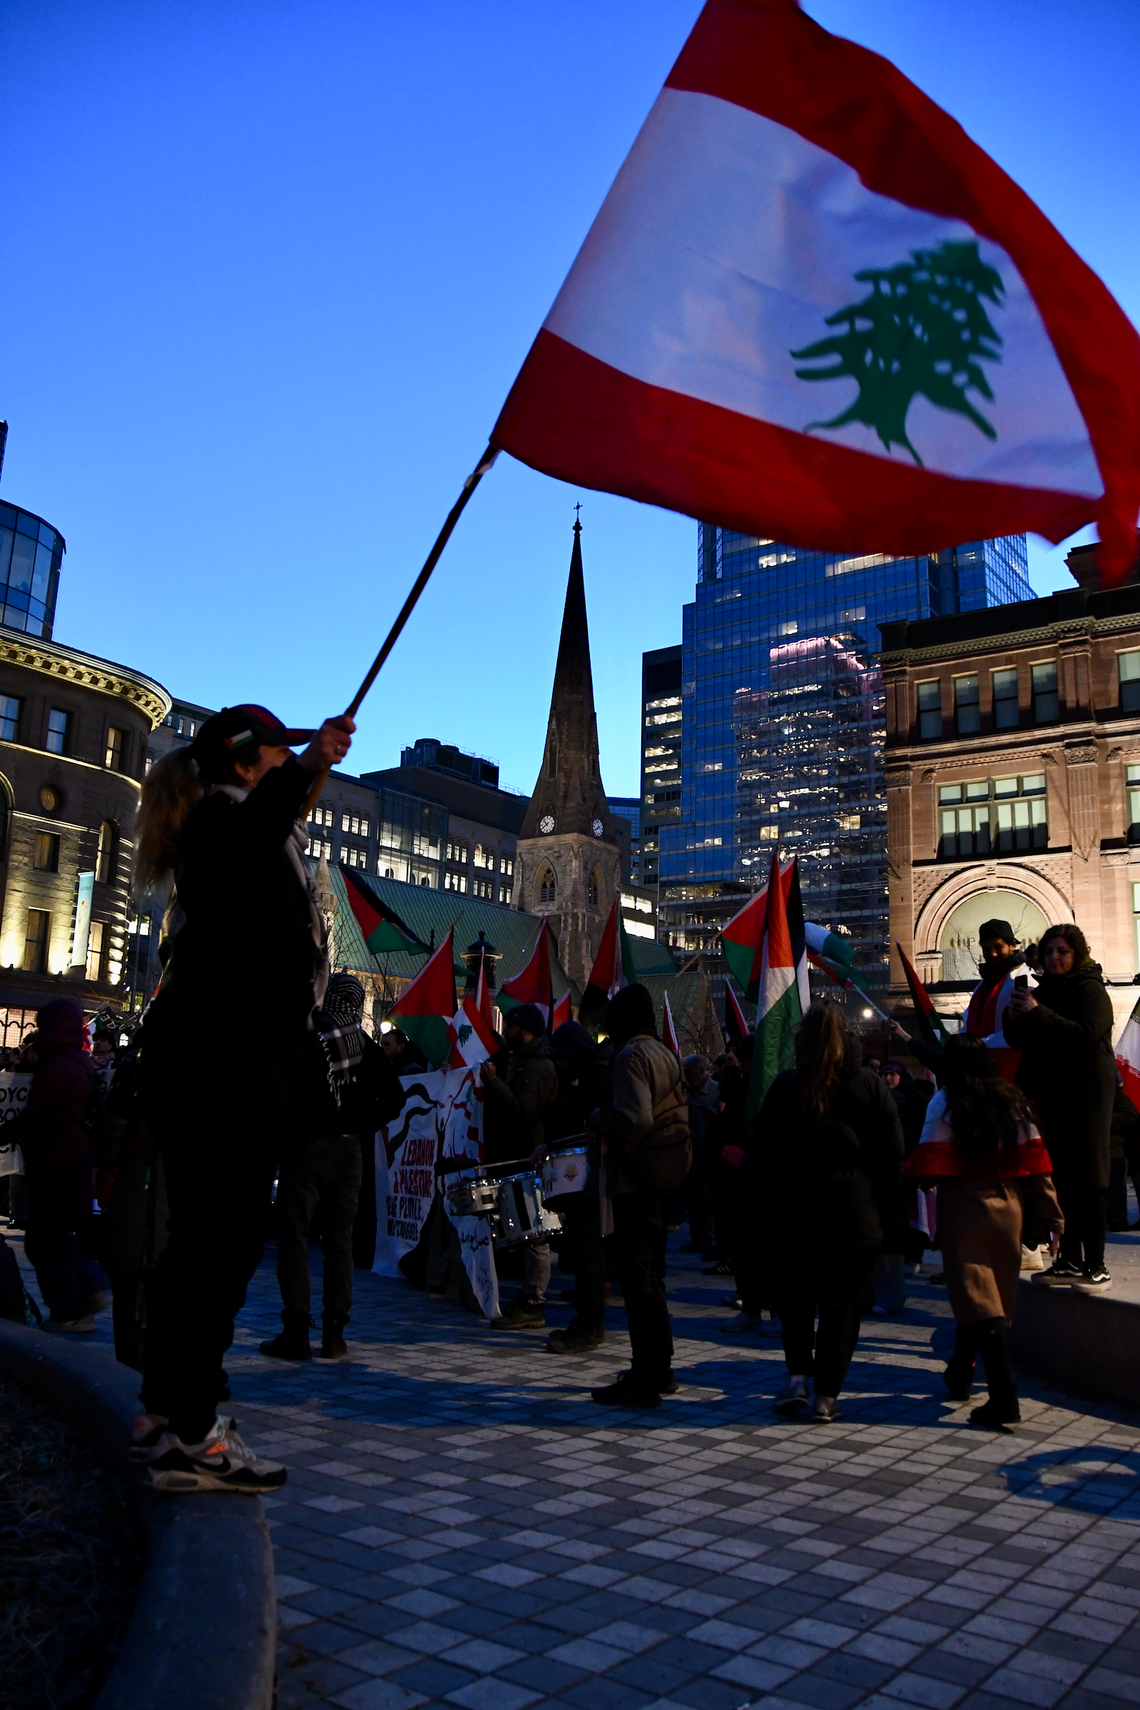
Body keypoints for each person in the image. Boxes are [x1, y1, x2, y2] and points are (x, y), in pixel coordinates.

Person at [129, 703, 353, 1493]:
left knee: (202, 1243)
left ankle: (169, 1410)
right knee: (220, 1245)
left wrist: (307, 771)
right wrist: (308, 765)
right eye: (277, 753)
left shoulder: (242, 828)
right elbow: (255, 832)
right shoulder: (225, 830)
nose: (289, 762)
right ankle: (194, 1429)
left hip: (223, 1064)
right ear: (247, 761)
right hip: (227, 1067)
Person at [905, 1034, 1063, 1430]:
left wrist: (917, 1183)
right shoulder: (1013, 1100)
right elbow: (1036, 1161)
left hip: (964, 1203)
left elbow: (928, 1163)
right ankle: (960, 1372)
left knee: (977, 1294)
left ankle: (1003, 1396)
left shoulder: (945, 1102)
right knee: (993, 1292)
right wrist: (1052, 1215)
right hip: (1010, 1203)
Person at [756, 1001, 903, 1423]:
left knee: (798, 1303)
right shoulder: (871, 1086)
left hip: (796, 1212)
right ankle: (827, 1395)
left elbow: (765, 1154)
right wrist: (885, 1208)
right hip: (853, 1214)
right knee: (842, 1306)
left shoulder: (786, 1086)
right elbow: (893, 1155)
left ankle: (798, 1380)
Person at [261, 973, 405, 1362]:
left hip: (307, 1150)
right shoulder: (369, 1049)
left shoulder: (312, 1040)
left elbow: (282, 1093)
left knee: (293, 1237)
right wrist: (357, 1125)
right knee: (339, 1240)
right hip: (349, 1154)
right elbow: (394, 1099)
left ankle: (296, 1330)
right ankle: (334, 1334)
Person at [588, 984, 692, 1409]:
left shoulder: (632, 1056)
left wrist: (597, 1116)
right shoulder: (664, 1052)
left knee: (637, 1280)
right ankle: (658, 1369)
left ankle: (645, 1377)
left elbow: (633, 1119)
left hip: (635, 1178)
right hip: (659, 1178)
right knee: (651, 1277)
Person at [1004, 923, 1115, 1292]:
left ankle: (1096, 1263)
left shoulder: (1091, 990)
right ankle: (1068, 1259)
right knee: (1060, 1180)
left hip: (1084, 1099)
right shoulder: (1042, 992)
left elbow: (1082, 1035)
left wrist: (1036, 1013)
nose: (1054, 958)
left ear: (1077, 953)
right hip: (1049, 1098)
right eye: (1049, 951)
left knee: (1089, 1180)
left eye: (1063, 952)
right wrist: (1014, 1019)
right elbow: (1024, 1039)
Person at [11, 1000, 108, 1333]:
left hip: (55, 1161)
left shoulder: (57, 1066)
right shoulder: (80, 1061)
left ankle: (71, 1310)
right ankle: (87, 1291)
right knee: (56, 1235)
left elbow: (37, 1115)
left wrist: (5, 1131)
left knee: (43, 1239)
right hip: (74, 1160)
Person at [480, 1003, 559, 1328]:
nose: (507, 1033)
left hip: (529, 1159)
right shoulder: (526, 1062)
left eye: (510, 1027)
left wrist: (494, 1083)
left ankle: (533, 1302)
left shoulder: (537, 1067)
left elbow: (520, 1111)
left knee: (535, 1233)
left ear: (525, 1031)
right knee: (526, 1231)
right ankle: (529, 1297)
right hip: (521, 1158)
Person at [892, 918, 1035, 1077]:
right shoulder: (982, 986)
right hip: (979, 1074)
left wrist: (972, 1047)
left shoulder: (1026, 982)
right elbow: (968, 1026)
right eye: (986, 948)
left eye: (998, 947)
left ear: (1012, 945)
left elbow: (1024, 1033)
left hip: (1009, 1075)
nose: (992, 953)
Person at [544, 1020, 612, 1354]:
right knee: (585, 1250)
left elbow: (589, 1124)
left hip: (586, 1172)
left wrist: (557, 1143)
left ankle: (589, 1324)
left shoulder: (596, 1073)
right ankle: (588, 1320)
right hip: (577, 1173)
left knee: (588, 1252)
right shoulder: (587, 1070)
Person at [680, 1054, 722, 1257]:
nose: (686, 1075)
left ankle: (706, 1237)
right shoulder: (688, 1092)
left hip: (708, 1150)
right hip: (690, 1150)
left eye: (689, 1071)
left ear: (701, 1071)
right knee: (693, 1195)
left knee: (705, 1197)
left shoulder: (716, 1091)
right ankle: (697, 1237)